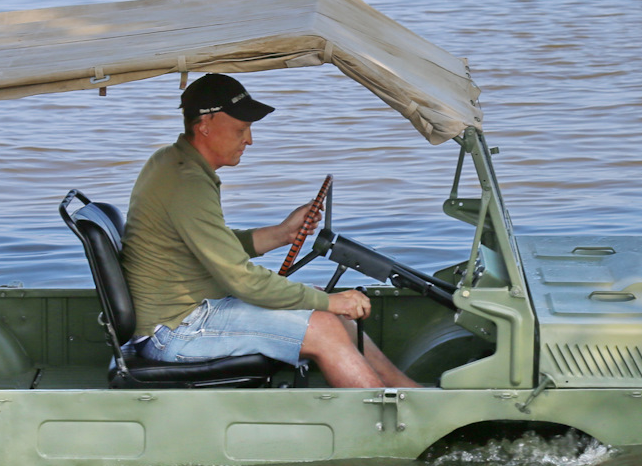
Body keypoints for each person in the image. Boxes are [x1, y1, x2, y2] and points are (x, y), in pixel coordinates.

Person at [119, 72, 418, 389]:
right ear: (204, 126)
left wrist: (283, 233)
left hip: (183, 315)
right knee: (325, 326)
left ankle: (404, 391)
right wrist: (330, 302)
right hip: (175, 331)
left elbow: (214, 244)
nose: (249, 140)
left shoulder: (172, 163)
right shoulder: (187, 184)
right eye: (240, 129)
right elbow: (242, 280)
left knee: (325, 307)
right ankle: (392, 427)